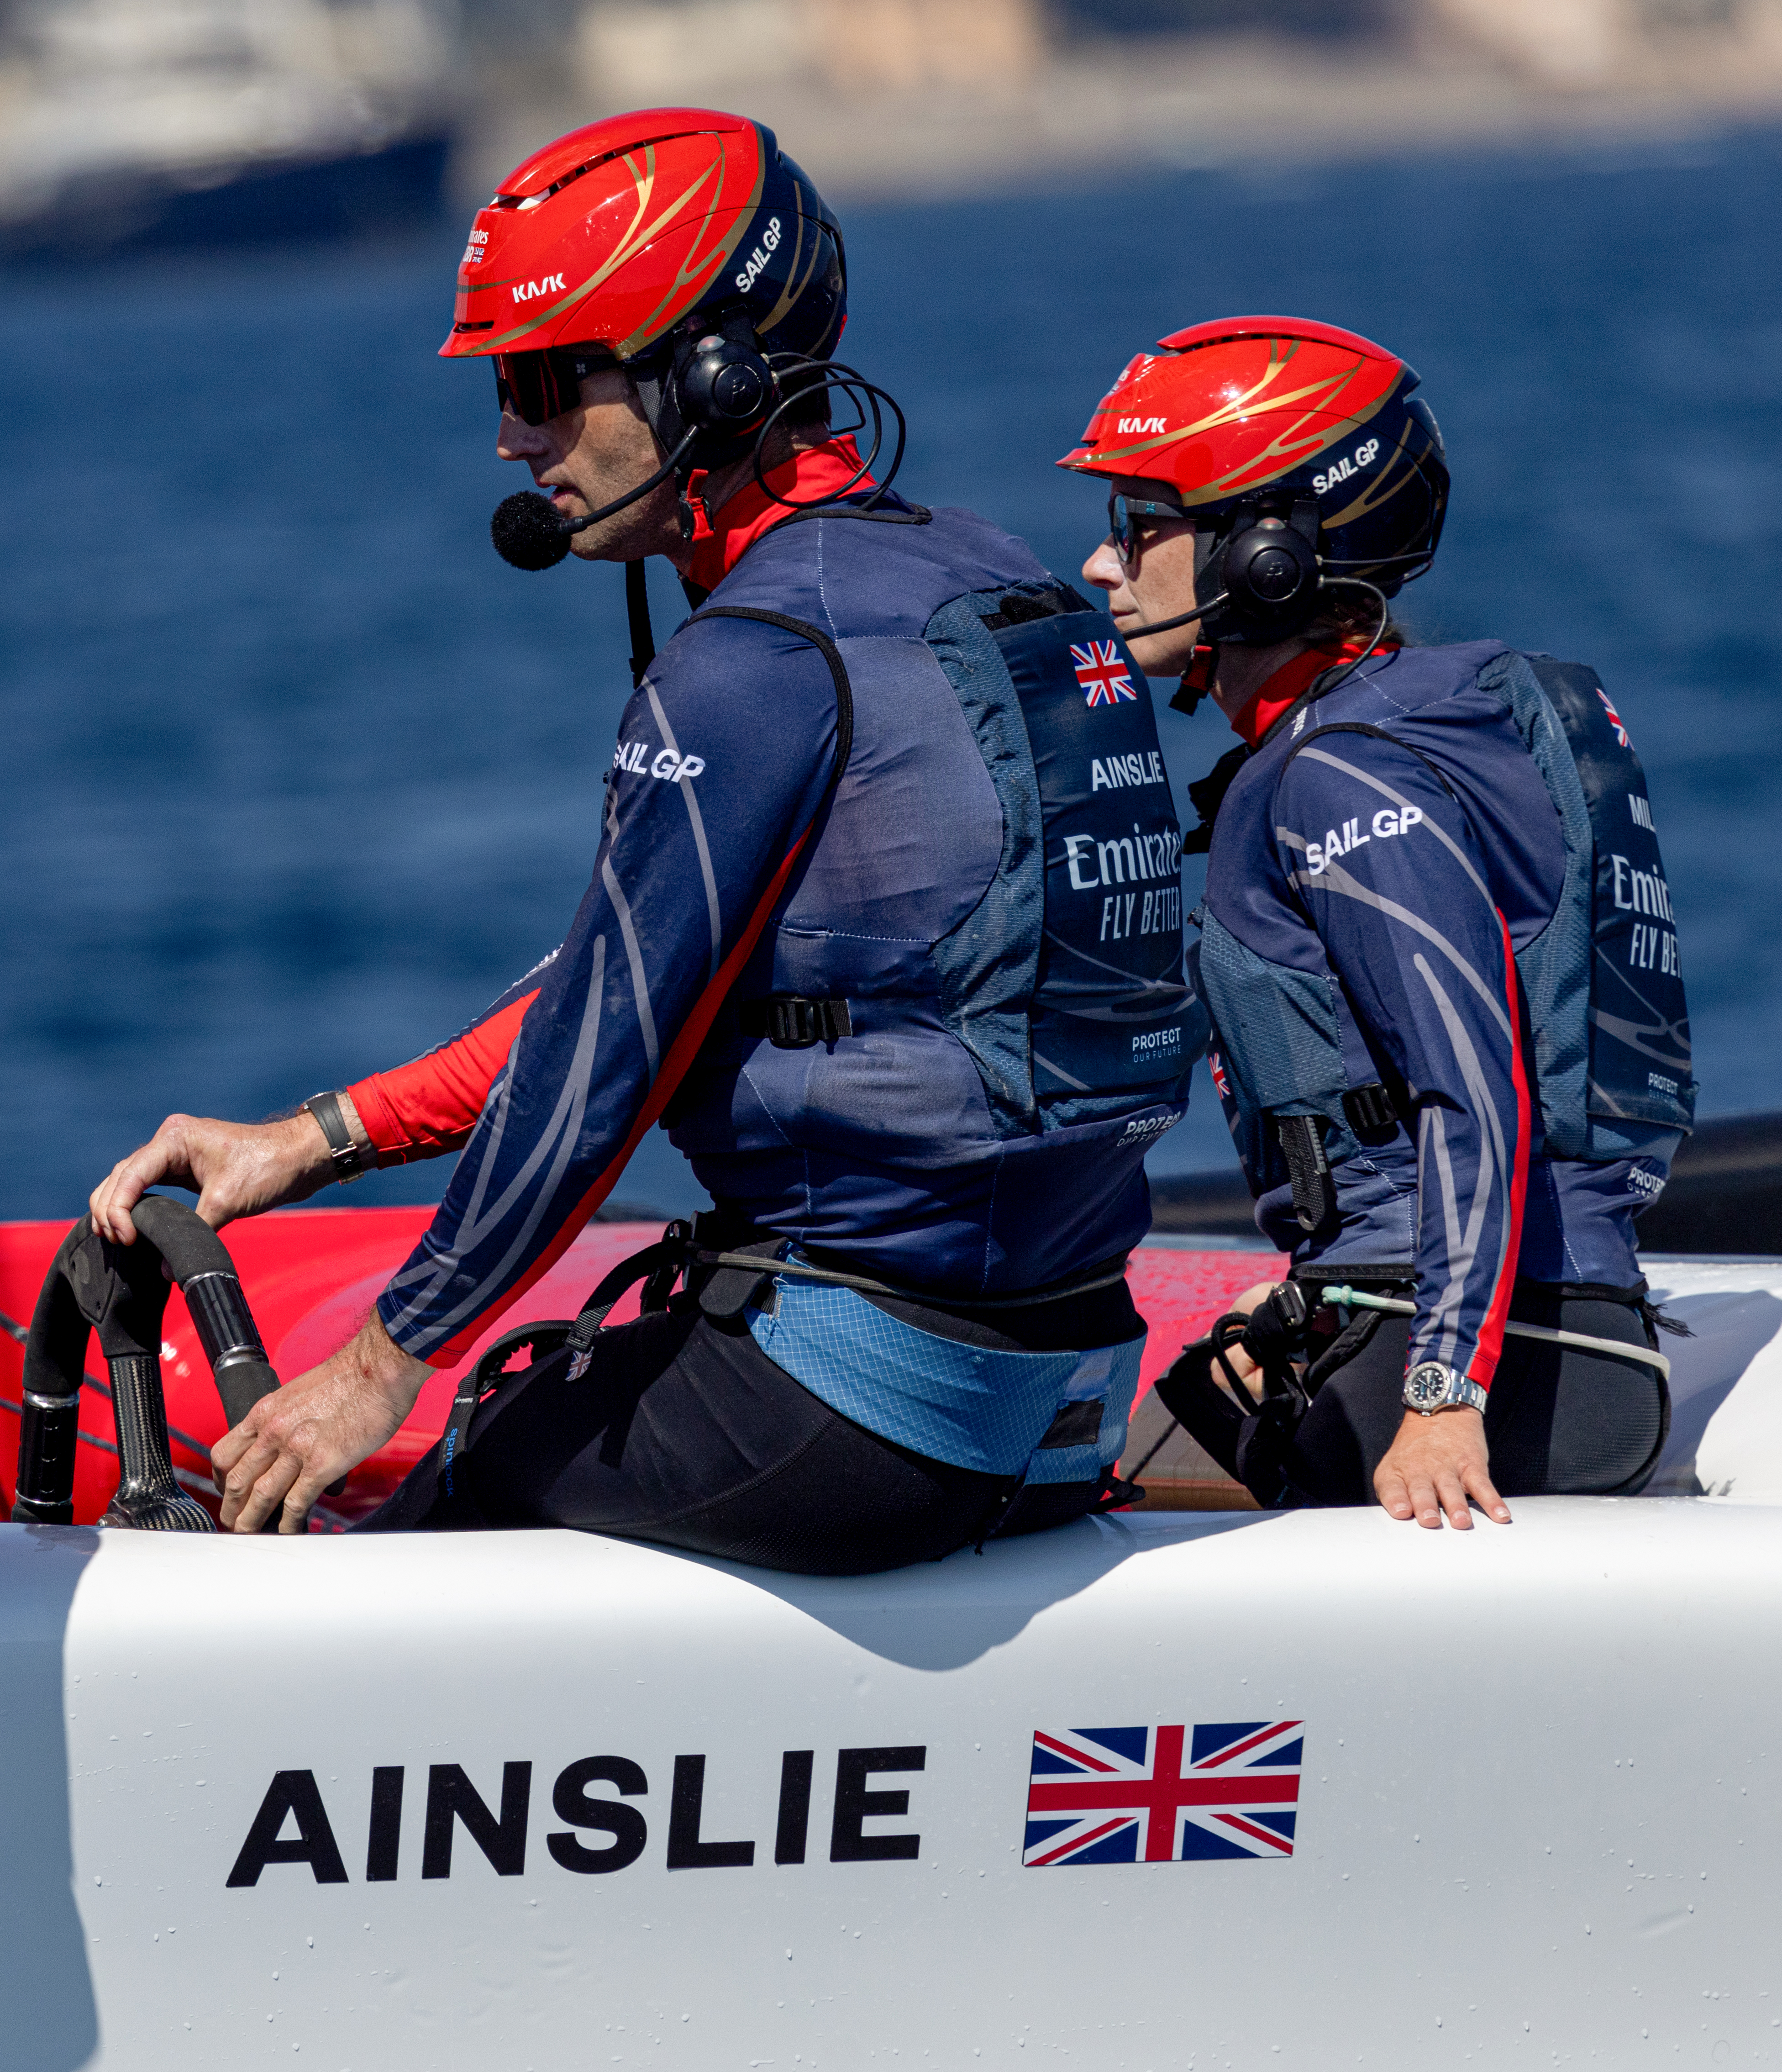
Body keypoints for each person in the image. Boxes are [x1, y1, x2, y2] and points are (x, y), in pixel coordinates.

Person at [89, 110, 1200, 1565]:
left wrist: (378, 1367)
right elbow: (636, 984)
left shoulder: (750, 663)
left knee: (413, 1503)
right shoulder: (993, 574)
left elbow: (597, 1072)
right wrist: (316, 1139)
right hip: (1067, 1387)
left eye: (547, 381)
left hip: (875, 1414)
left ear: (714, 380)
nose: (511, 433)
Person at [1060, 315, 1693, 1530]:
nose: (1105, 566)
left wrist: (1445, 1388)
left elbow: (1473, 1079)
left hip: (1495, 1360)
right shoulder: (1390, 729)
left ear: (1269, 556)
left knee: (1072, 1512)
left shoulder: (1341, 777)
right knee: (1136, 1447)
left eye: (1142, 526)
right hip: (1502, 1321)